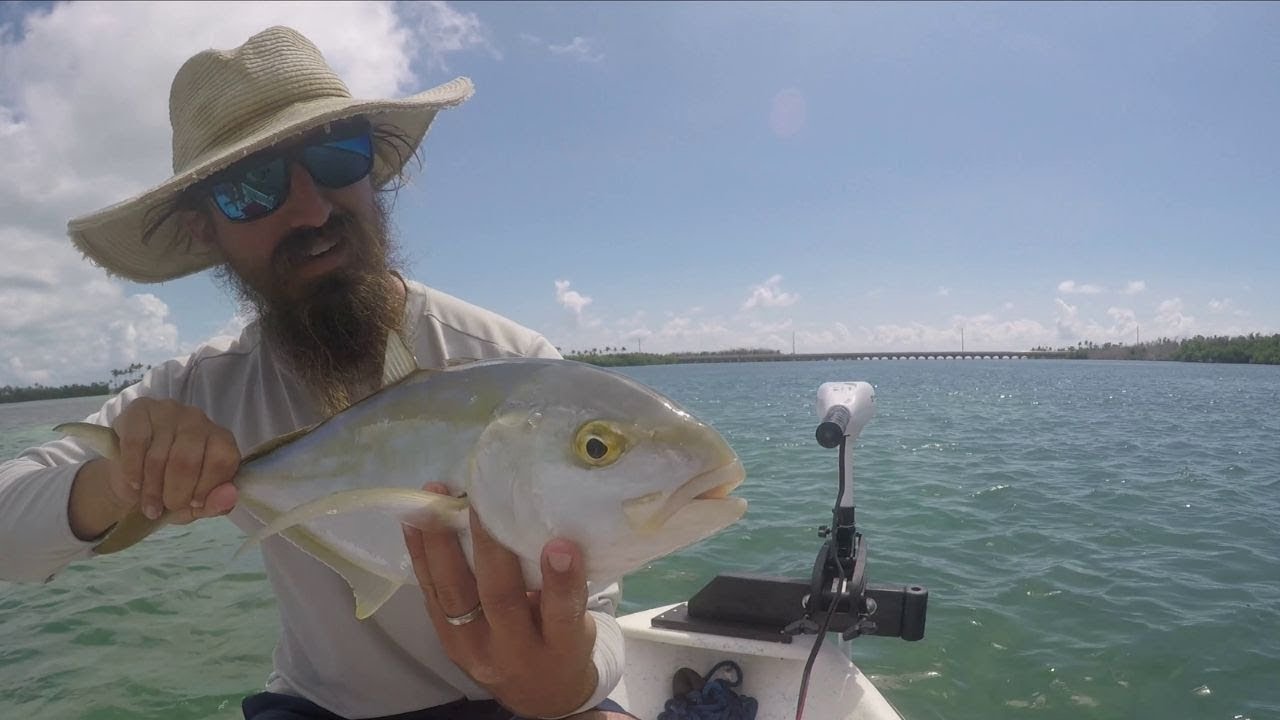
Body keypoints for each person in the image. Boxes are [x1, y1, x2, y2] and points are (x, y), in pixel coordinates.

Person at [0, 25, 634, 720]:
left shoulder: (513, 369)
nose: (311, 209)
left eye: (336, 156)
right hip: (319, 707)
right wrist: (121, 478)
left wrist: (565, 681)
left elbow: (598, 615)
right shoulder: (206, 389)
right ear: (204, 230)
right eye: (250, 188)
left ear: (374, 169)